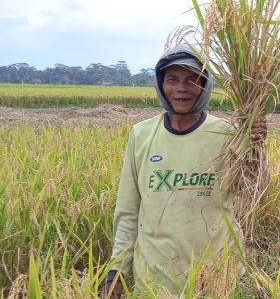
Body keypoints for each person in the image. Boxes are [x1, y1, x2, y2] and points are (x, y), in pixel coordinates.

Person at [100, 44, 266, 297]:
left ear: (205, 85)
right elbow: (128, 210)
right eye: (172, 79)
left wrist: (255, 148)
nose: (181, 88)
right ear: (160, 84)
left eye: (193, 79)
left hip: (216, 276)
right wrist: (117, 270)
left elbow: (251, 194)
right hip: (155, 278)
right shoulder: (142, 135)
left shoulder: (228, 134)